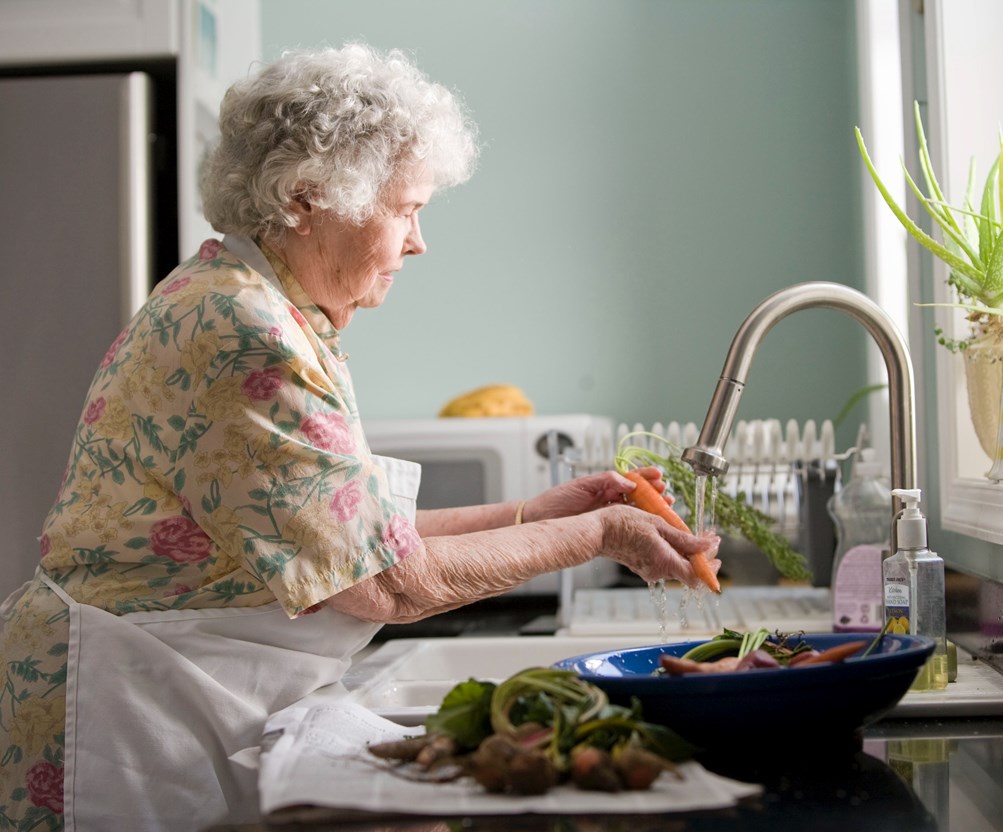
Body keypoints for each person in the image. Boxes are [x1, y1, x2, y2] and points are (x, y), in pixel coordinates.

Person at [0, 43, 719, 829]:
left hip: (164, 693)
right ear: (308, 198)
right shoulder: (243, 333)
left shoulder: (260, 306)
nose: (418, 242)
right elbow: (386, 583)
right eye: (406, 209)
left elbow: (353, 538)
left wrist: (544, 513)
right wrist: (598, 533)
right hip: (121, 716)